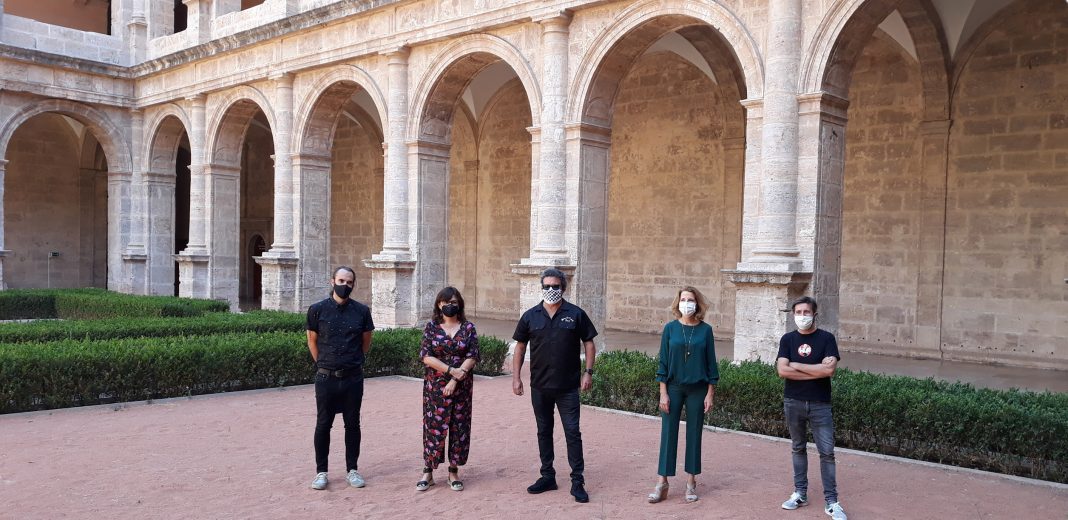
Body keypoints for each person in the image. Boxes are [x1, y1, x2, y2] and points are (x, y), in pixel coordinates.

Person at [512, 267, 598, 503]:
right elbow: (520, 347)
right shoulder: (531, 316)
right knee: (543, 431)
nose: (551, 290)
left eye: (555, 286)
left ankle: (577, 481)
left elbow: (589, 343)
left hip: (568, 387)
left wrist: (588, 372)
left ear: (563, 288)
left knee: (572, 432)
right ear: (542, 288)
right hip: (539, 386)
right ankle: (547, 475)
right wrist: (516, 377)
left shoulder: (576, 314)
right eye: (547, 286)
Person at [776, 296, 847, 520]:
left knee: (826, 453)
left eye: (807, 312)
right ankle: (800, 493)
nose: (802, 316)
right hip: (793, 401)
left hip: (820, 404)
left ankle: (832, 502)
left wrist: (796, 364)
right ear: (793, 314)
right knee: (798, 448)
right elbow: (782, 371)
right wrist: (813, 368)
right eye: (798, 312)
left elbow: (828, 372)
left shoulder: (826, 339)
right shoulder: (787, 339)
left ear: (815, 315)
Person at [306, 266, 375, 491]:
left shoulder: (362, 312)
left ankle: (352, 470)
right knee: (323, 424)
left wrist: (353, 361)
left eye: (349, 282)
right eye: (341, 281)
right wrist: (323, 364)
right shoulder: (317, 310)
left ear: (353, 285)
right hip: (326, 378)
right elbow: (312, 341)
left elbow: (366, 343)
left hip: (353, 378)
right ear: (332, 281)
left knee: (352, 424)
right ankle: (321, 472)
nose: (344, 285)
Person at [648, 286, 718, 504]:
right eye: (684, 299)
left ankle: (691, 482)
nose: (687, 303)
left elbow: (711, 365)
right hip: (673, 387)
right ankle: (662, 482)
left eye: (691, 300)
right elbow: (663, 362)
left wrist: (710, 394)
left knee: (694, 435)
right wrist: (663, 393)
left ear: (698, 304)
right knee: (668, 434)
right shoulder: (670, 329)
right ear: (677, 303)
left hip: (698, 389)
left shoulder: (706, 330)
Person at [416, 287, 480, 492]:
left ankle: (453, 472)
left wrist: (456, 378)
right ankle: (428, 471)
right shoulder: (431, 327)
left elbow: (472, 355)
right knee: (433, 427)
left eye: (454, 302)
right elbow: (426, 356)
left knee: (458, 427)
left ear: (459, 304)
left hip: (461, 386)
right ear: (438, 304)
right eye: (446, 302)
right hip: (435, 387)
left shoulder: (468, 327)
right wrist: (451, 371)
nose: (449, 305)